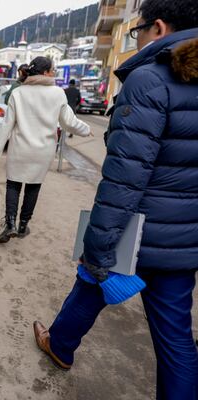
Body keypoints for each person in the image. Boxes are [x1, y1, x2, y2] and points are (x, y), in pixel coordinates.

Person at [34, 1, 198, 398]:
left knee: (90, 282)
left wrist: (98, 246)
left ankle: (59, 346)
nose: (136, 37)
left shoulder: (151, 80)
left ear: (157, 28)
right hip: (185, 238)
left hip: (136, 232)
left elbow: (125, 176)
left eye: (137, 30)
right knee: (177, 339)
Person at [0, 57, 90, 243]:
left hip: (20, 148)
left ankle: (10, 223)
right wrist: (86, 130)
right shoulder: (58, 93)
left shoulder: (18, 93)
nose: (54, 73)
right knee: (33, 187)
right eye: (52, 70)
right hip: (43, 151)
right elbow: (69, 122)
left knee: (13, 185)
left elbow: (7, 125)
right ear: (45, 72)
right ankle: (23, 225)